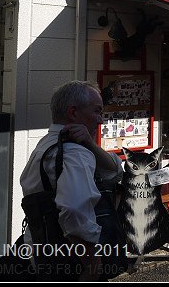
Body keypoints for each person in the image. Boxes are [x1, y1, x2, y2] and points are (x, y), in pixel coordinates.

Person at [19, 80, 124, 281]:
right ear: (73, 113)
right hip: (71, 261)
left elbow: (113, 170)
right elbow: (75, 209)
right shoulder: (74, 153)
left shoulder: (45, 144)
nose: (100, 120)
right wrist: (92, 261)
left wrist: (90, 144)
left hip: (42, 251)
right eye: (96, 111)